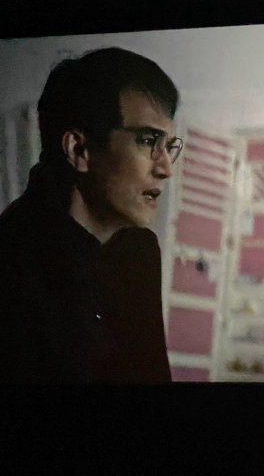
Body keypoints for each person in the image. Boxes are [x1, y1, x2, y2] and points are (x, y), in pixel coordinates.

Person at [0, 47, 183, 383]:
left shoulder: (140, 249)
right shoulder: (13, 255)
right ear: (79, 150)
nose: (166, 169)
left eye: (169, 146)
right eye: (147, 141)